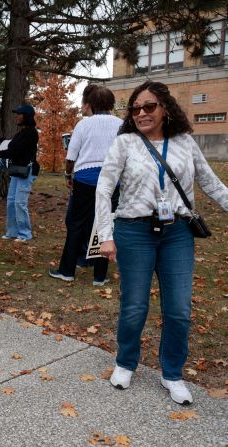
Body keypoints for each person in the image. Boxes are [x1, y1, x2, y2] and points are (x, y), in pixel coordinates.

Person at [96, 81, 228, 405]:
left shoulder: (184, 142)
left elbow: (210, 182)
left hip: (178, 233)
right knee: (135, 305)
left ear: (165, 109)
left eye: (149, 106)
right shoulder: (125, 142)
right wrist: (105, 236)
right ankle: (126, 362)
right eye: (136, 108)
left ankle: (172, 373)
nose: (141, 113)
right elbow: (103, 188)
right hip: (133, 231)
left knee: (180, 308)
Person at [48, 85, 122, 286]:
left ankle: (67, 271)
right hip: (111, 179)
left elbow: (71, 156)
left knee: (76, 225)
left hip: (85, 179)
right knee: (104, 224)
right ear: (111, 103)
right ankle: (100, 276)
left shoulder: (84, 125)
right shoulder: (122, 124)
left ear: (92, 104)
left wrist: (67, 174)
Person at [0, 104, 40, 241]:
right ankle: (12, 232)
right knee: (11, 202)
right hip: (17, 170)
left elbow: (15, 151)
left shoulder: (31, 133)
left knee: (19, 203)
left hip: (27, 171)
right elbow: (13, 150)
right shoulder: (21, 132)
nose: (16, 116)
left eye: (19, 114)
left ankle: (24, 234)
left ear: (26, 116)